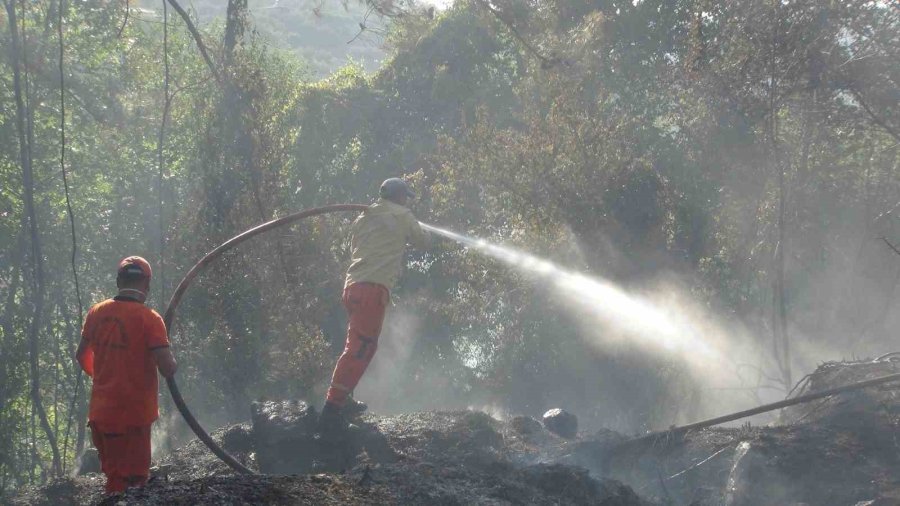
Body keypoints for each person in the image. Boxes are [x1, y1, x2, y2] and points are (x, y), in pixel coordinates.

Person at [318, 178, 428, 437]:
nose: (407, 201)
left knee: (354, 344)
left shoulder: (363, 217)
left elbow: (358, 246)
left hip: (352, 288)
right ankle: (332, 410)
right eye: (406, 197)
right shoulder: (402, 214)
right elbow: (423, 241)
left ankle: (346, 400)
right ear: (400, 196)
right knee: (361, 348)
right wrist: (416, 225)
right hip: (372, 290)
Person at [75, 256, 177, 494]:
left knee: (115, 478)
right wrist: (172, 363)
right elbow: (166, 367)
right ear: (147, 284)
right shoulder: (150, 319)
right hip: (134, 417)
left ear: (119, 280)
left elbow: (81, 355)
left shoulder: (96, 312)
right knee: (133, 482)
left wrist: (104, 377)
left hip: (101, 414)